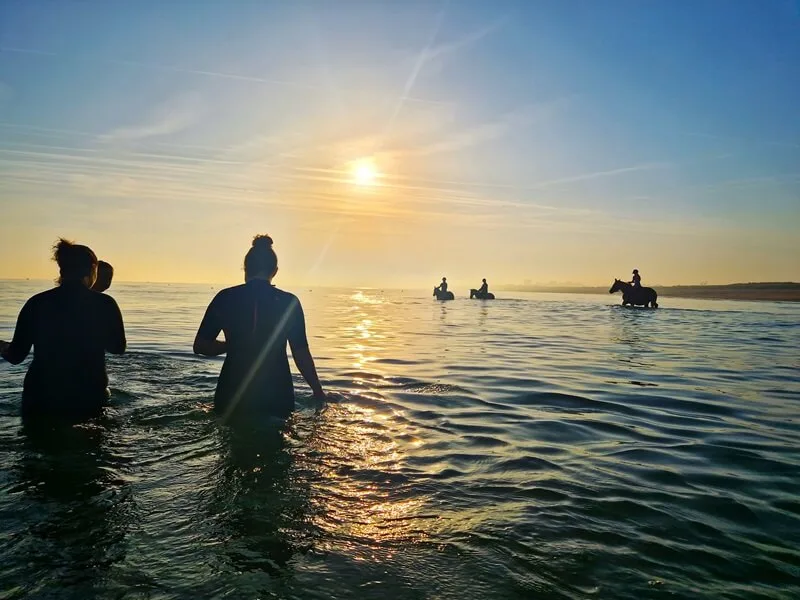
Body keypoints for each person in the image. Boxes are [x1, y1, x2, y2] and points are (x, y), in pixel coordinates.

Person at [193, 234, 325, 420]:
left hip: (231, 392)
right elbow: (301, 353)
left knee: (230, 443)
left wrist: (229, 344)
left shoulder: (225, 298)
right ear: (275, 270)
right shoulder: (289, 302)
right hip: (277, 394)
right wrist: (318, 392)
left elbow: (200, 346)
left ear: (246, 268)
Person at [0, 239, 127, 420]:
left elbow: (15, 356)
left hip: (40, 397)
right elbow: (118, 348)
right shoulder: (105, 304)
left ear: (62, 270)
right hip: (87, 395)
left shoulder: (37, 303)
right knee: (90, 445)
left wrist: (2, 346)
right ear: (93, 269)